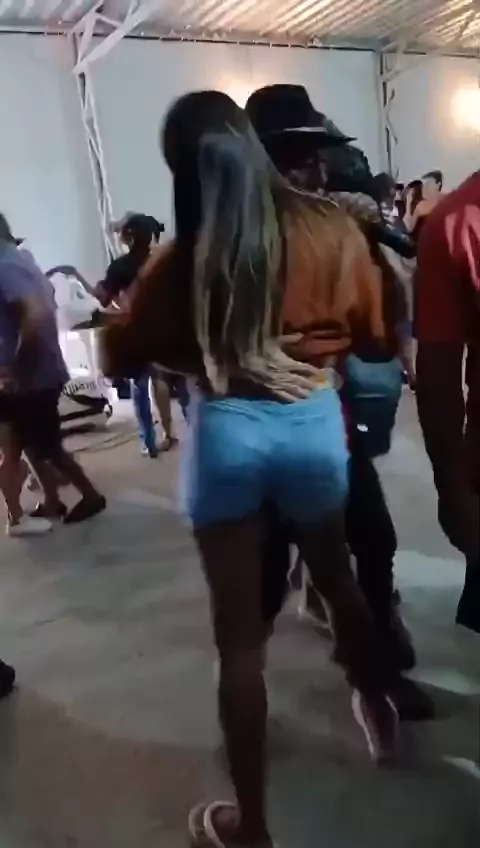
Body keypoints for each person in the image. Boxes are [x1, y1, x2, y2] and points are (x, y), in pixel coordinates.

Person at [101, 89, 402, 848]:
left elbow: (121, 358)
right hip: (313, 423)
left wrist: (202, 352)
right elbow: (376, 338)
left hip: (228, 431)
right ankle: (377, 707)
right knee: (338, 579)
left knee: (239, 642)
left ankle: (253, 827)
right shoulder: (331, 229)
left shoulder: (180, 260)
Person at [244, 85, 429, 720]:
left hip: (330, 430)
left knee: (374, 542)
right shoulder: (232, 242)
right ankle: (241, 689)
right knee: (262, 576)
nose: (314, 171)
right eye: (294, 158)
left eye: (316, 157)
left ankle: (378, 670)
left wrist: (368, 247)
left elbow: (377, 338)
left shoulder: (336, 234)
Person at [0, 215, 105, 526]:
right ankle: (52, 499)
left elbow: (34, 316)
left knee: (47, 445)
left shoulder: (6, 267)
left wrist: (13, 365)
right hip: (35, 372)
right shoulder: (22, 260)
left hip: (30, 375)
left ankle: (90, 495)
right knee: (32, 442)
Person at [415, 171, 480, 635]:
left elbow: (438, 375)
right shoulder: (454, 224)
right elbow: (438, 376)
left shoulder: (455, 220)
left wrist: (452, 488)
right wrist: (452, 488)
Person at [95, 212, 182, 456]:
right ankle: (174, 433)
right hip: (165, 329)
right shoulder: (164, 261)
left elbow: (104, 299)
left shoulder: (121, 266)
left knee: (140, 387)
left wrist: (81, 280)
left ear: (129, 237)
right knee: (168, 382)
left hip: (136, 332)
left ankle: (148, 442)